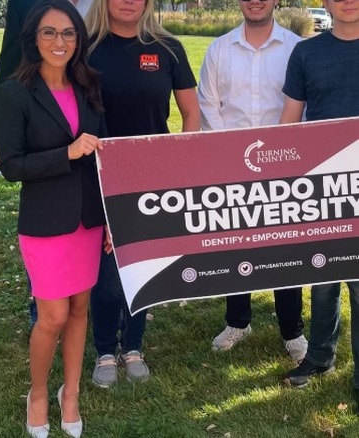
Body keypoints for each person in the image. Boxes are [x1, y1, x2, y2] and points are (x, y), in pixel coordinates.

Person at [0, 1, 107, 435]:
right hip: (44, 222)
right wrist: (67, 152)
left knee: (81, 308)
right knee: (52, 317)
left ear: (79, 40)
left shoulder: (90, 84)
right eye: (49, 33)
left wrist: (113, 219)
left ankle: (71, 393)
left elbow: (105, 159)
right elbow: (12, 166)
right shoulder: (14, 92)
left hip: (89, 217)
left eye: (68, 34)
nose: (59, 42)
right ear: (33, 38)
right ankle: (38, 393)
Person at [85, 0, 199, 388]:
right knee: (105, 271)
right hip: (97, 174)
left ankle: (133, 346)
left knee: (141, 266)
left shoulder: (168, 48)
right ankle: (104, 350)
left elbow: (191, 114)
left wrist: (178, 166)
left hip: (150, 176)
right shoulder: (85, 47)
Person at [197, 0, 307, 362]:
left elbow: (302, 107)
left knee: (284, 248)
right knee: (236, 246)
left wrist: (283, 155)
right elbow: (208, 104)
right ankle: (237, 321)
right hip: (230, 165)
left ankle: (293, 332)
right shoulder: (219, 50)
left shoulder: (295, 48)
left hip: (285, 166)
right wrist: (230, 154)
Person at [0, 0, 93, 330]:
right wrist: (4, 135)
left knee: (81, 299)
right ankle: (44, 313)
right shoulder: (24, 4)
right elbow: (9, 57)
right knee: (52, 305)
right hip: (36, 112)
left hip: (86, 101)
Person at [278, 0, 359, 405]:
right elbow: (290, 120)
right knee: (323, 280)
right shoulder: (306, 52)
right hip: (323, 189)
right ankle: (320, 357)